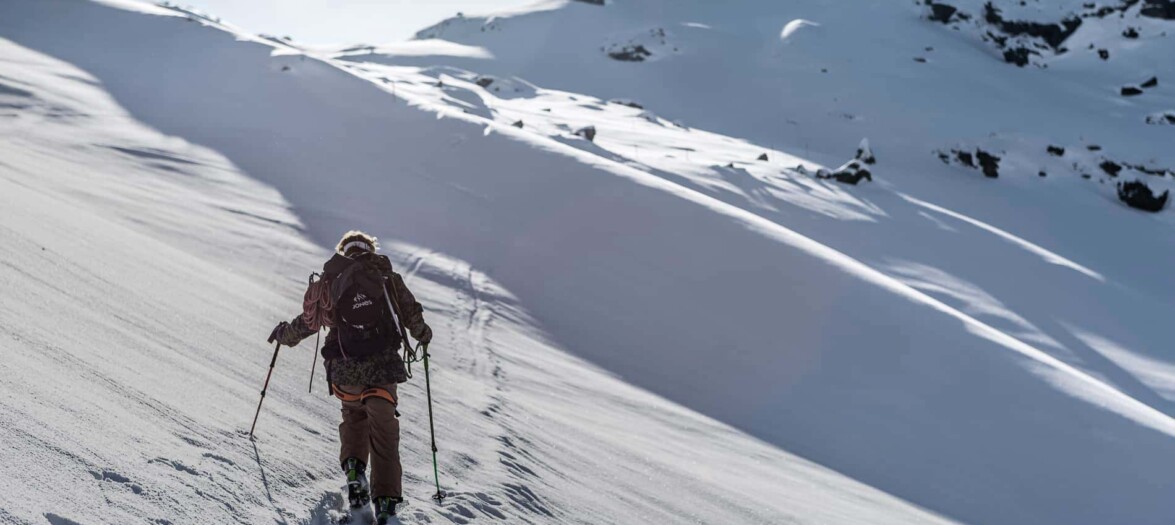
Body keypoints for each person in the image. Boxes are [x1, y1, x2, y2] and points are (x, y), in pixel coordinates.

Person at [269, 230, 432, 523]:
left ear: (344, 251)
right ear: (370, 249)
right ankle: (385, 507)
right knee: (384, 434)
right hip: (382, 371)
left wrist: (283, 335)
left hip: (345, 372)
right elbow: (412, 317)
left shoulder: (333, 281)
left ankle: (355, 473)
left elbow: (308, 324)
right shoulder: (386, 277)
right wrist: (424, 334)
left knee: (354, 418)